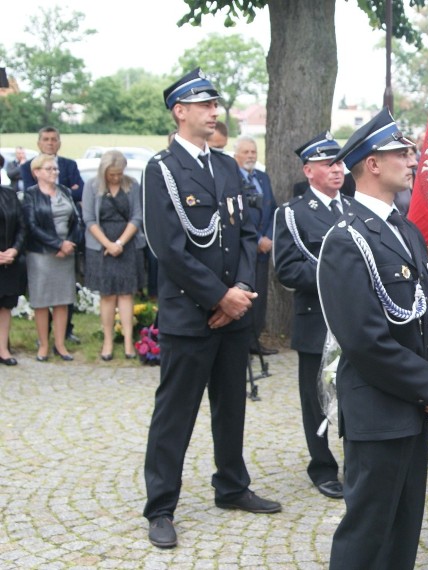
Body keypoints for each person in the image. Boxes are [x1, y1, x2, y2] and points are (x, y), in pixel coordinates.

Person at [142, 68, 281, 550]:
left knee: (232, 406)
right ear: (180, 112)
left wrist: (240, 290)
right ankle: (160, 506)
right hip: (190, 314)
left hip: (233, 310)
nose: (213, 111)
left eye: (215, 104)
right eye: (203, 105)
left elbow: (246, 232)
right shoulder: (161, 170)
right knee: (174, 413)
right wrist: (218, 297)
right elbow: (170, 247)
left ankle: (232, 486)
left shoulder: (225, 168)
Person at [317, 109, 428, 570]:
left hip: (414, 406)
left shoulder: (406, 230)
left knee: (403, 529)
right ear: (372, 164)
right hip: (378, 409)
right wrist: (427, 384)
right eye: (401, 151)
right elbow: (363, 339)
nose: (413, 158)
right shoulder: (347, 238)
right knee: (367, 531)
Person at [273, 131, 347, 500]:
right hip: (315, 318)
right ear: (308, 171)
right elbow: (287, 268)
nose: (338, 170)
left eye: (340, 162)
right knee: (315, 395)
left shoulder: (352, 207)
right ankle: (322, 466)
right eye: (328, 164)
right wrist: (336, 276)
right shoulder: (293, 213)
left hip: (351, 320)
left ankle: (358, 457)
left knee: (352, 390)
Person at [20, 127, 85, 343]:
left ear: (59, 142)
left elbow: (79, 193)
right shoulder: (26, 168)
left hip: (66, 248)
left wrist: (68, 244)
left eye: (54, 140)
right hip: (42, 249)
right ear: (39, 143)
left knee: (65, 295)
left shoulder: (69, 165)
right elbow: (32, 208)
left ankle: (64, 334)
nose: (50, 143)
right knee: (42, 296)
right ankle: (44, 339)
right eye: (45, 140)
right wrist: (56, 244)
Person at [82, 150, 144, 360]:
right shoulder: (91, 186)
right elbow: (89, 219)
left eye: (119, 173)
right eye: (112, 174)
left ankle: (128, 341)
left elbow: (137, 216)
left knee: (127, 294)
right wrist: (108, 243)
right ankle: (108, 340)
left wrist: (119, 243)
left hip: (127, 243)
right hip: (101, 245)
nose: (116, 177)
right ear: (104, 172)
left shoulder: (133, 185)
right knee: (107, 295)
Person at [233, 135, 278, 355]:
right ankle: (241, 343)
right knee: (244, 294)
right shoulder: (233, 179)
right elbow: (240, 214)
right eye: (246, 152)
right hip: (245, 249)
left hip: (264, 250)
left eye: (253, 152)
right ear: (236, 155)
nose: (251, 156)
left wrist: (268, 236)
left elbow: (273, 209)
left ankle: (255, 341)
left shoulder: (262, 177)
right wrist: (258, 239)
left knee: (259, 297)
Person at [0, 181, 27, 365]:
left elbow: (22, 227)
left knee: (5, 305)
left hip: (9, 260)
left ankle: (3, 349)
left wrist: (15, 250)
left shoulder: (10, 195)